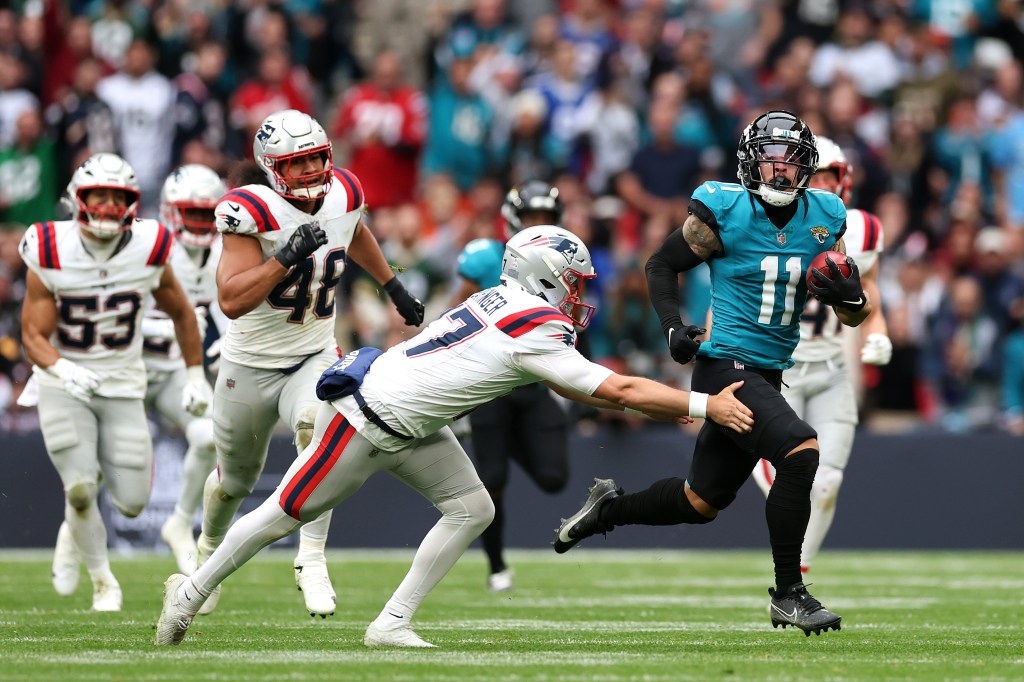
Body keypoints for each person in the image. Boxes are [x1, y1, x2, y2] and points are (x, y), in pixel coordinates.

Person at [155, 224, 754, 648]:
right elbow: (615, 391)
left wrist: (671, 403)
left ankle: (391, 622)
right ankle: (189, 593)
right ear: (546, 278)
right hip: (365, 416)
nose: (580, 293)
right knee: (281, 515)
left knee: (472, 508)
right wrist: (704, 405)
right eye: (573, 280)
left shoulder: (503, 301)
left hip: (409, 420)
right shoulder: (535, 323)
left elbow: (578, 387)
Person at [553, 111, 872, 637]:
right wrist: (674, 326)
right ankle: (789, 593)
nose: (780, 172)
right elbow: (660, 263)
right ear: (751, 162)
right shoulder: (724, 210)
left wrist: (853, 297)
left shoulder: (826, 216)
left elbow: (850, 313)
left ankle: (606, 510)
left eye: (791, 163)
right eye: (770, 160)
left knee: (699, 502)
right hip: (724, 367)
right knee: (800, 449)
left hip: (767, 373)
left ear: (807, 168)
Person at [197, 109, 425, 618]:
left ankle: (311, 556)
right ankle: (207, 555)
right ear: (273, 168)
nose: (312, 170)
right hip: (249, 363)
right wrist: (282, 258)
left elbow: (353, 230)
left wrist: (392, 285)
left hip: (314, 351)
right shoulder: (248, 209)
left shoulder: (344, 190)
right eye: (298, 163)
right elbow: (231, 299)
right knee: (234, 481)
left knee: (318, 431)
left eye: (317, 158)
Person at [18, 152, 209, 611]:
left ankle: (72, 530)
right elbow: (31, 334)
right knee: (81, 488)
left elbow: (183, 312)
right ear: (76, 200)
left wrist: (194, 373)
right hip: (64, 381)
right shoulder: (48, 246)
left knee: (132, 503)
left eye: (115, 197)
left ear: (131, 203)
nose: (105, 206)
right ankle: (104, 580)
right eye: (96, 196)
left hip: (125, 382)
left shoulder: (149, 244)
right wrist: (61, 368)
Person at [749, 137, 891, 574]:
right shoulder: (771, 222)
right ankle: (790, 570)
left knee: (827, 481)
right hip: (780, 368)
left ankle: (800, 575)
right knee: (792, 472)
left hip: (830, 367)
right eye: (818, 175)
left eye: (832, 176)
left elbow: (872, 296)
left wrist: (879, 331)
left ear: (843, 179)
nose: (825, 184)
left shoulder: (863, 228)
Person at [454, 180, 567, 592]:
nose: (540, 227)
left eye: (546, 219)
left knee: (554, 477)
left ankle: (509, 442)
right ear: (512, 220)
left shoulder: (562, 262)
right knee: (492, 481)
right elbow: (458, 312)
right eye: (532, 218)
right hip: (491, 385)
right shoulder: (486, 257)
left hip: (535, 385)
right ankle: (497, 567)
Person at [142, 164, 229, 574]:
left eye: (204, 214)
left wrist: (229, 343)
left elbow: (227, 314)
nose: (198, 223)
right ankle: (77, 539)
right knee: (102, 472)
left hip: (179, 370)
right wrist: (173, 323)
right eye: (190, 213)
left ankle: (180, 521)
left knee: (209, 438)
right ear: (170, 211)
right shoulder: (146, 244)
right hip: (128, 366)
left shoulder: (223, 253)